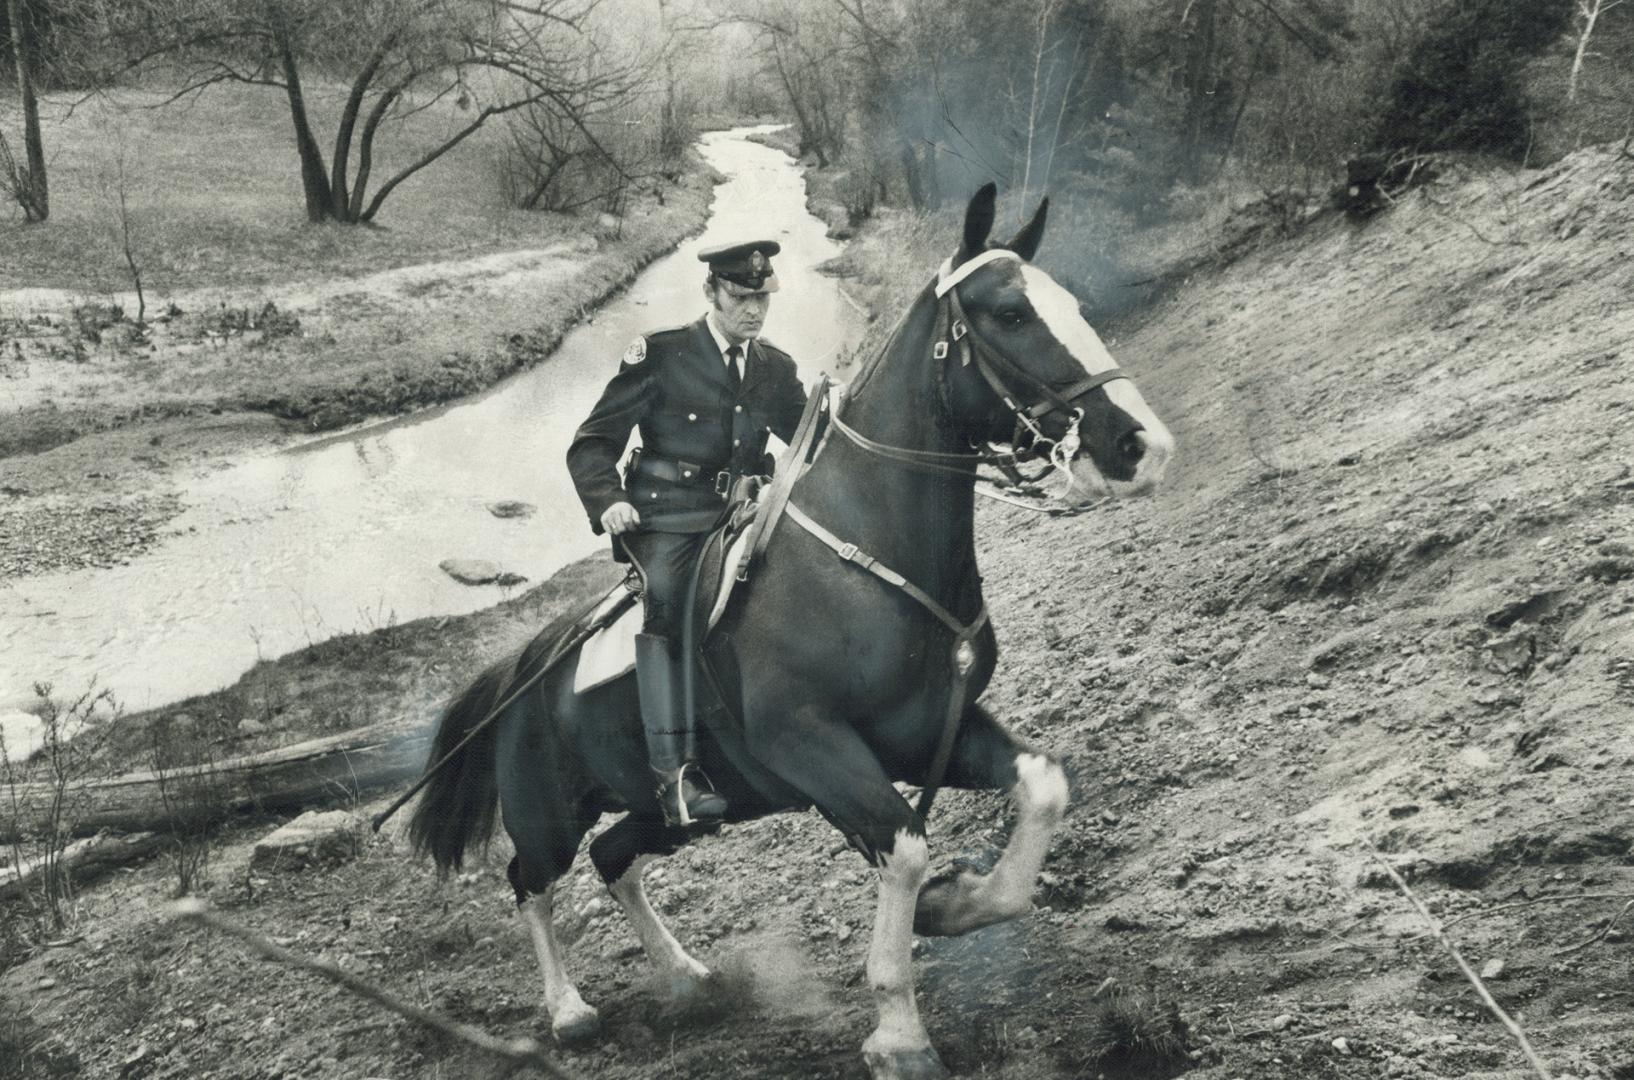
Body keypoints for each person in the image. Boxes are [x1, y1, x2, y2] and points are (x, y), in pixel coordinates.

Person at [567, 240, 808, 827]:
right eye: (741, 296)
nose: (753, 309)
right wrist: (610, 501)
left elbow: (809, 436)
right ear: (711, 292)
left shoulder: (773, 368)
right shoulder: (661, 354)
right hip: (668, 518)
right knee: (671, 603)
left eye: (762, 298)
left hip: (741, 514)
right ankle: (675, 775)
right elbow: (593, 444)